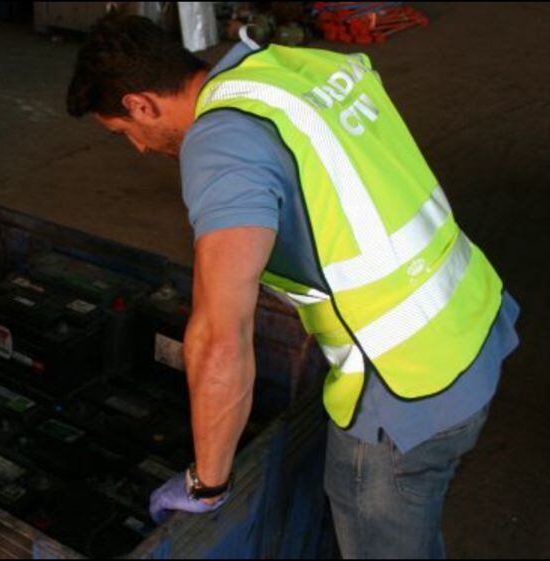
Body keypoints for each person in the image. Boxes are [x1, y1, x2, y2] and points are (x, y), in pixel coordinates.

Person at [66, 14, 519, 559]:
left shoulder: (222, 145)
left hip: (405, 391)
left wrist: (206, 483)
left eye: (125, 133)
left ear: (140, 104)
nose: (137, 148)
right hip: (474, 326)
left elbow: (218, 338)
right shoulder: (291, 68)